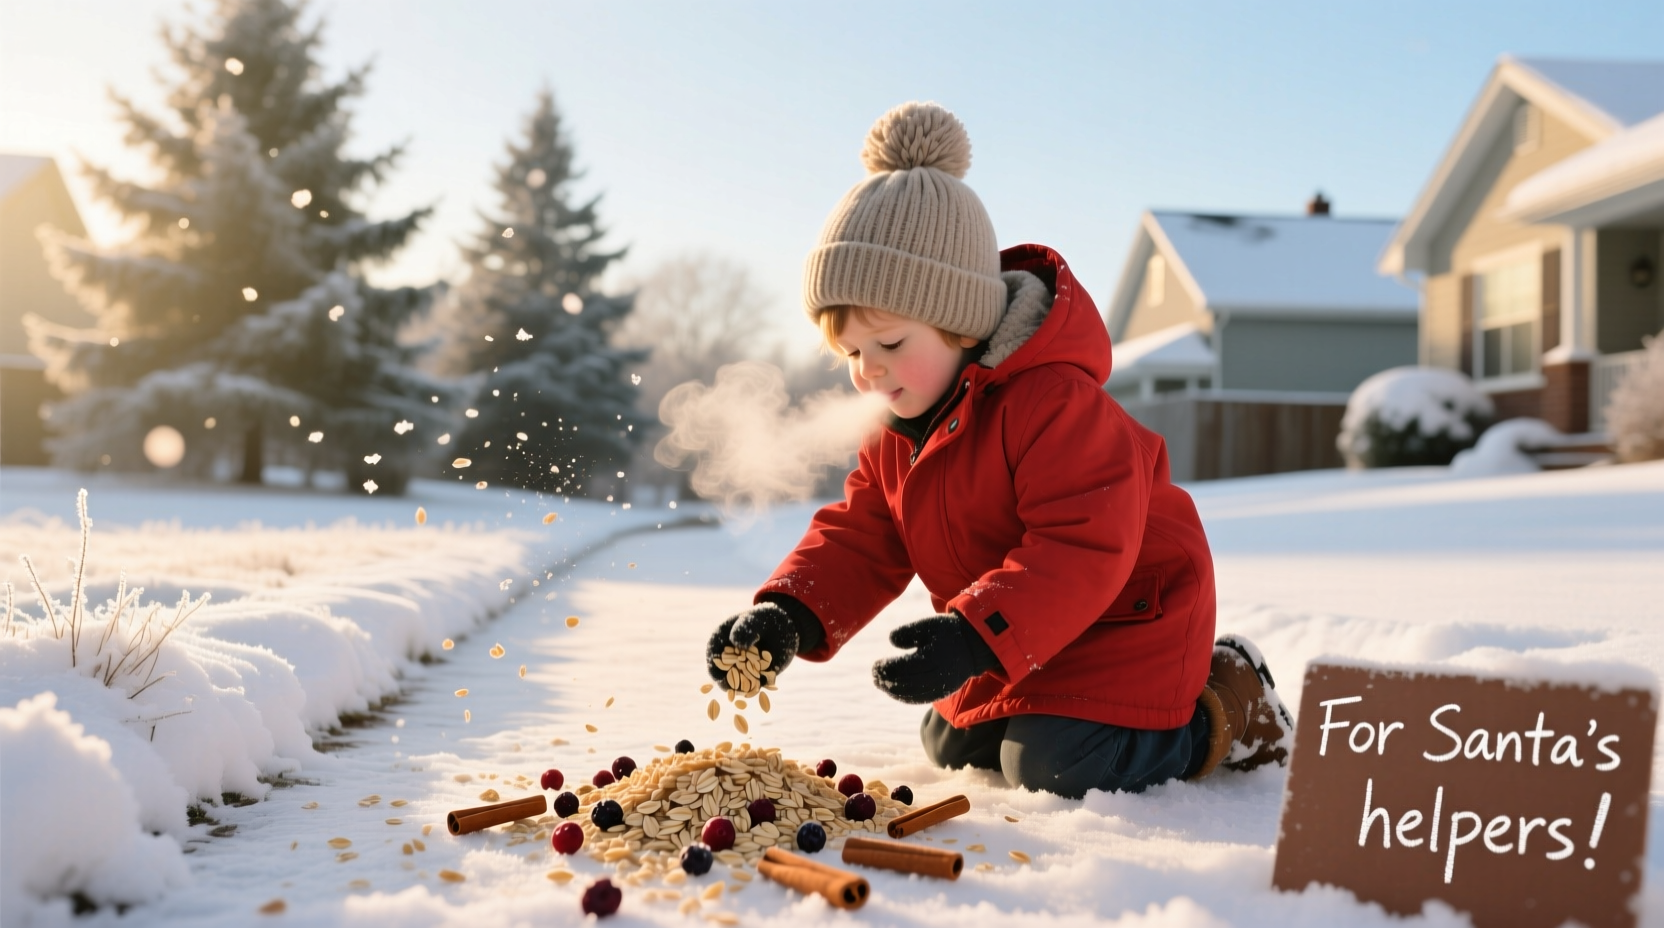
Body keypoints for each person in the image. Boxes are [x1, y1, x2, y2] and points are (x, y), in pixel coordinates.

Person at [705, 102, 1293, 798]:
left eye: (890, 344)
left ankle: (1226, 705)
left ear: (961, 325)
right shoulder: (897, 432)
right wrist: (790, 613)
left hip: (1129, 623)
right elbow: (862, 537)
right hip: (1026, 632)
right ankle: (1031, 692)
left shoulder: (1052, 403)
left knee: (1056, 765)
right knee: (951, 746)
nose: (869, 372)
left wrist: (978, 636)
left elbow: (1083, 543)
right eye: (852, 353)